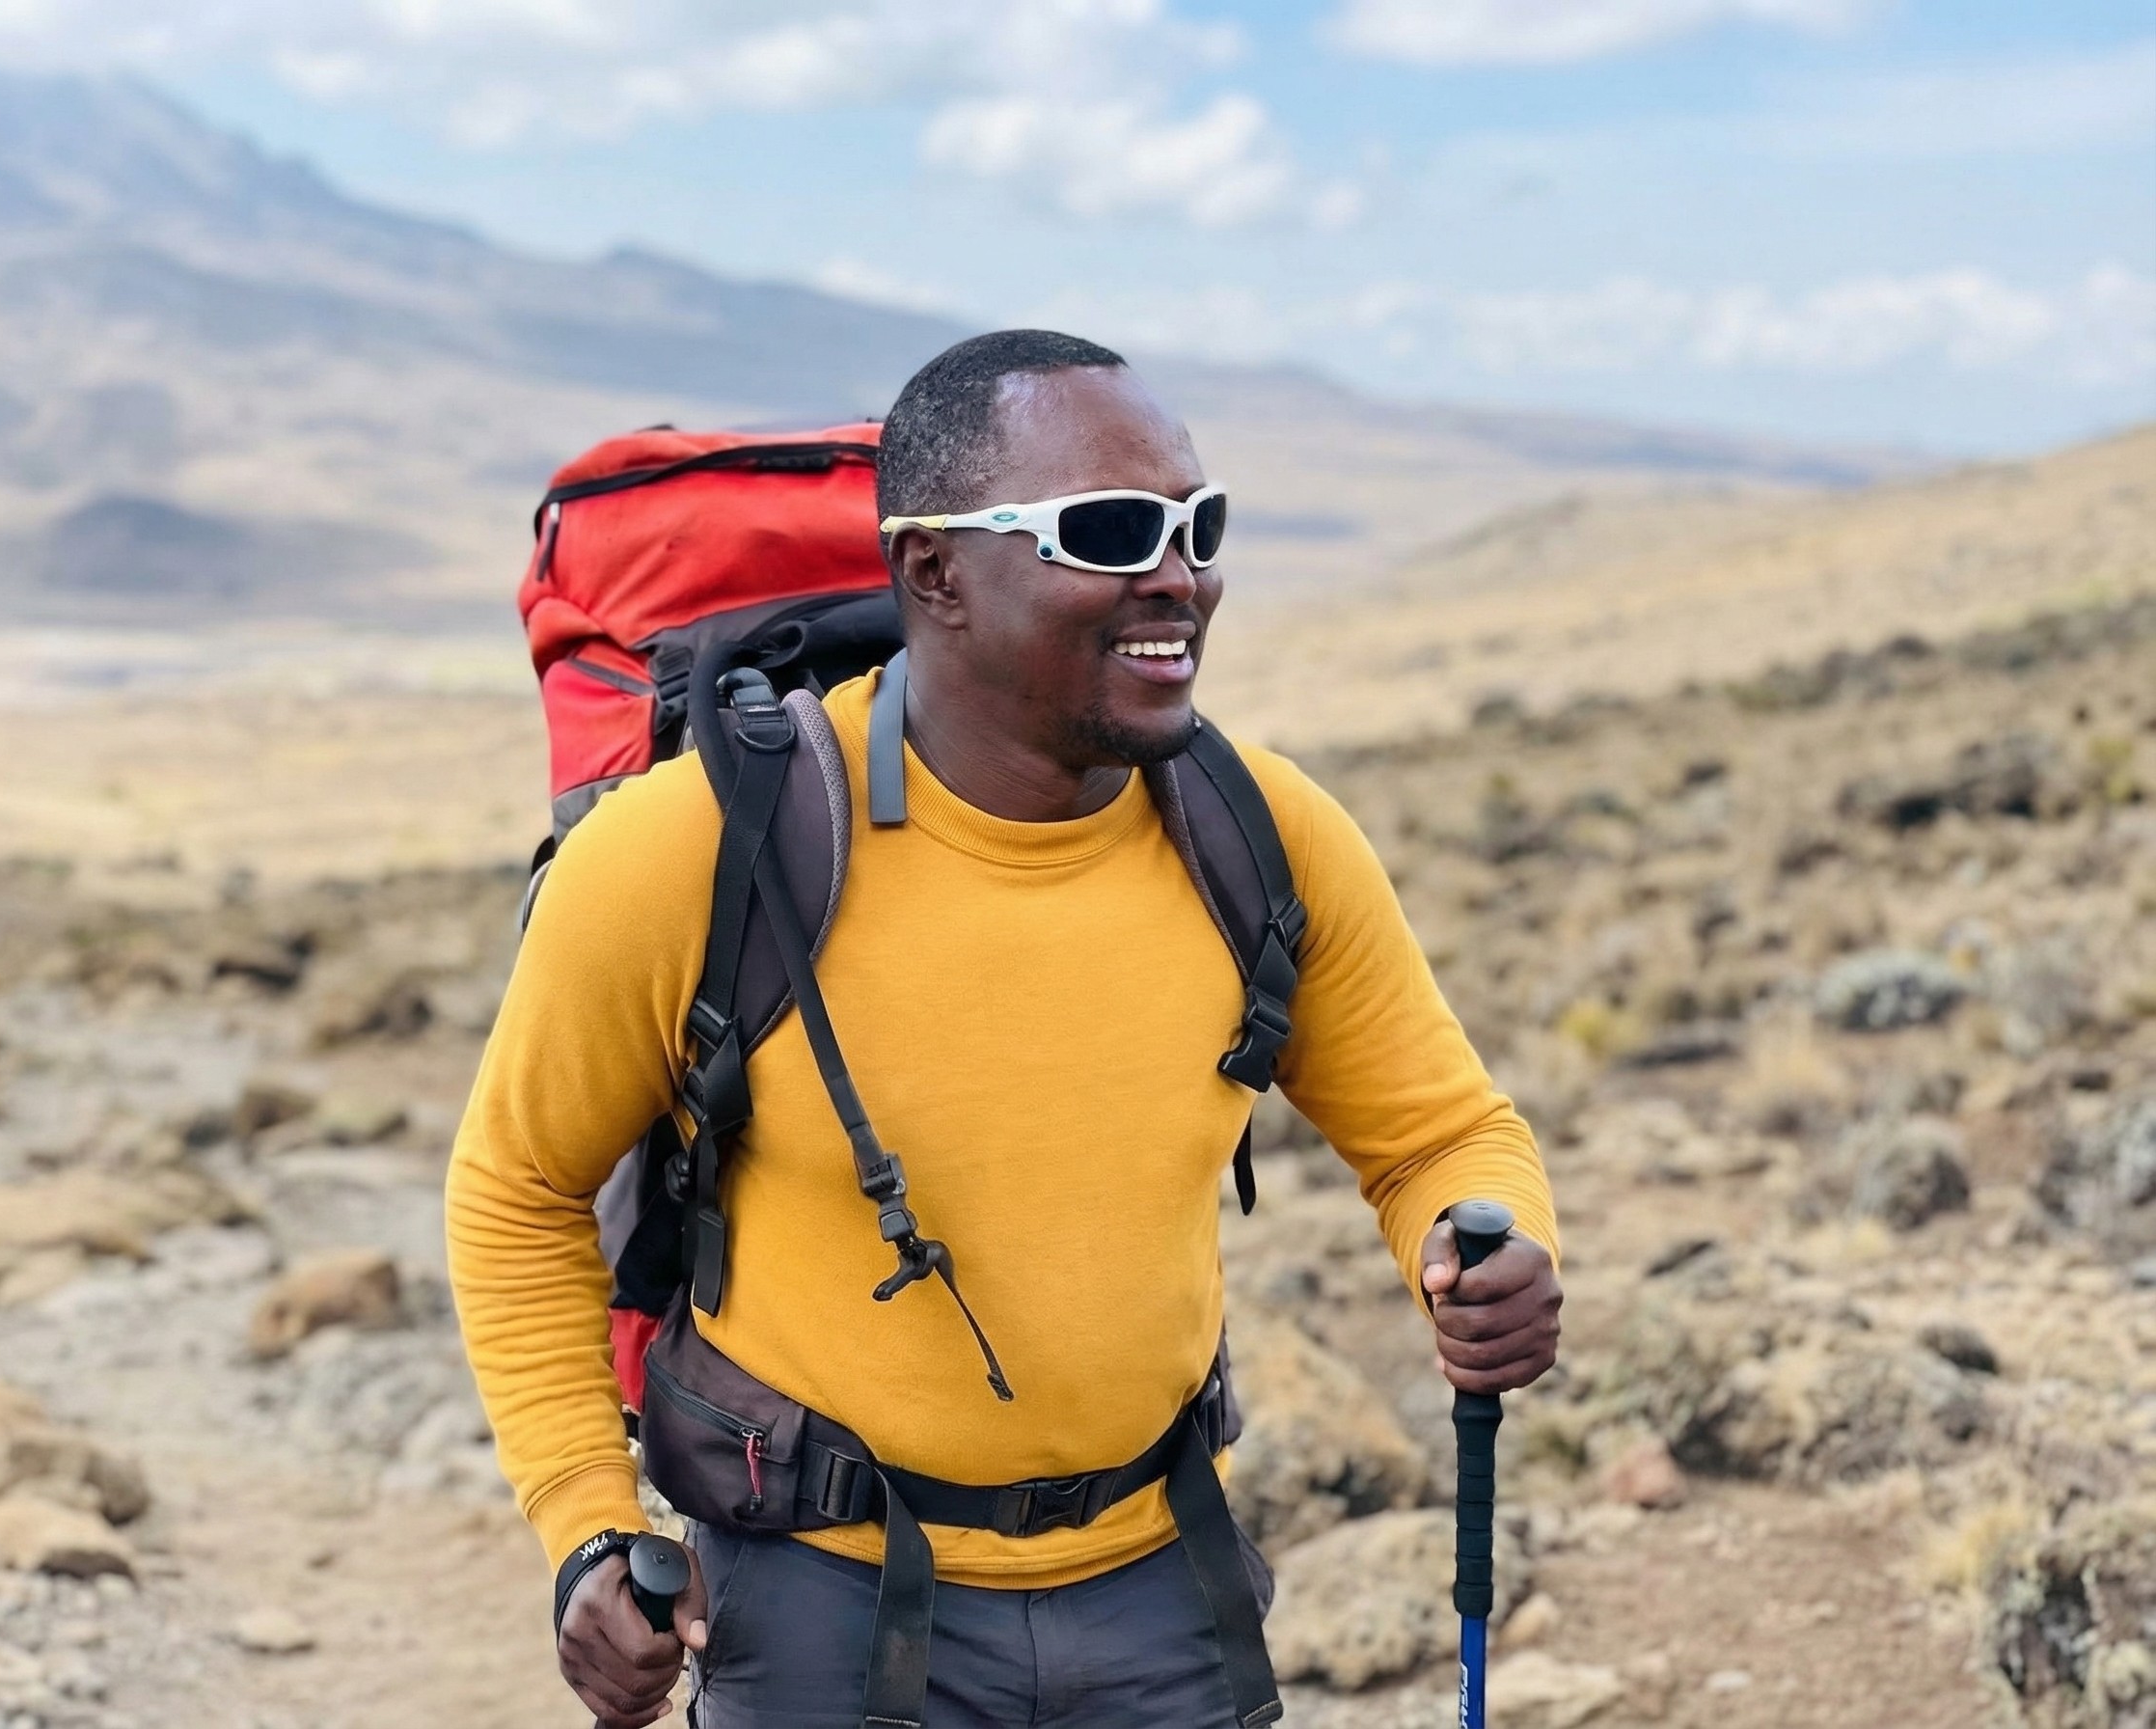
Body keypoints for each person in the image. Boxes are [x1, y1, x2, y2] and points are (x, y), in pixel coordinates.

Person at [446, 329, 1562, 1729]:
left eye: (1198, 526)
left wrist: (1486, 1234)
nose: (1177, 576)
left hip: (1165, 1574)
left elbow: (1441, 1132)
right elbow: (517, 1192)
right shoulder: (702, 851)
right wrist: (585, 1525)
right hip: (816, 1606)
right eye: (1106, 532)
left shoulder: (1264, 835)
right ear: (934, 574)